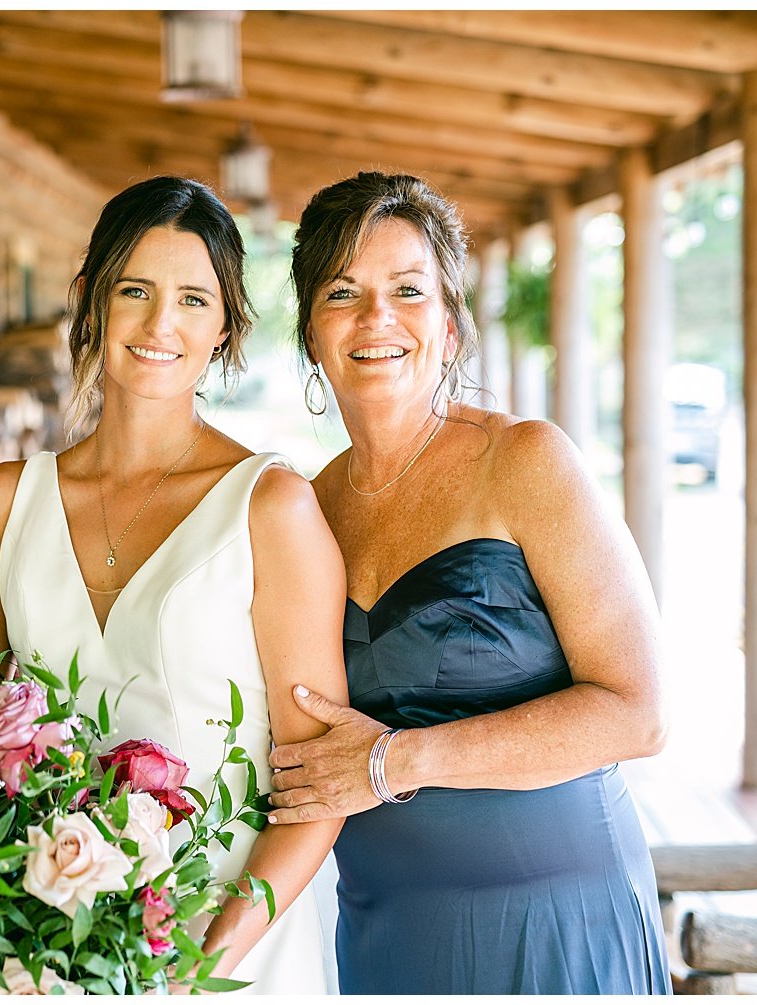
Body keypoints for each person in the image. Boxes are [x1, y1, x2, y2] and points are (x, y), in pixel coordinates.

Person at [265, 171, 670, 994]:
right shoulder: (304, 509)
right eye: (343, 292)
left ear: (449, 326)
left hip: (555, 926)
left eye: (408, 290)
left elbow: (640, 712)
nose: (377, 318)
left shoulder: (526, 462)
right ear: (311, 332)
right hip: (386, 931)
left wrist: (393, 761)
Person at [0, 176, 349, 994]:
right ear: (91, 301)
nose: (159, 323)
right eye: (133, 289)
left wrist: (207, 959)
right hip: (46, 949)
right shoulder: (1, 503)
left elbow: (320, 782)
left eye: (193, 299)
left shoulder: (271, 507)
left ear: (226, 326)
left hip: (233, 952)